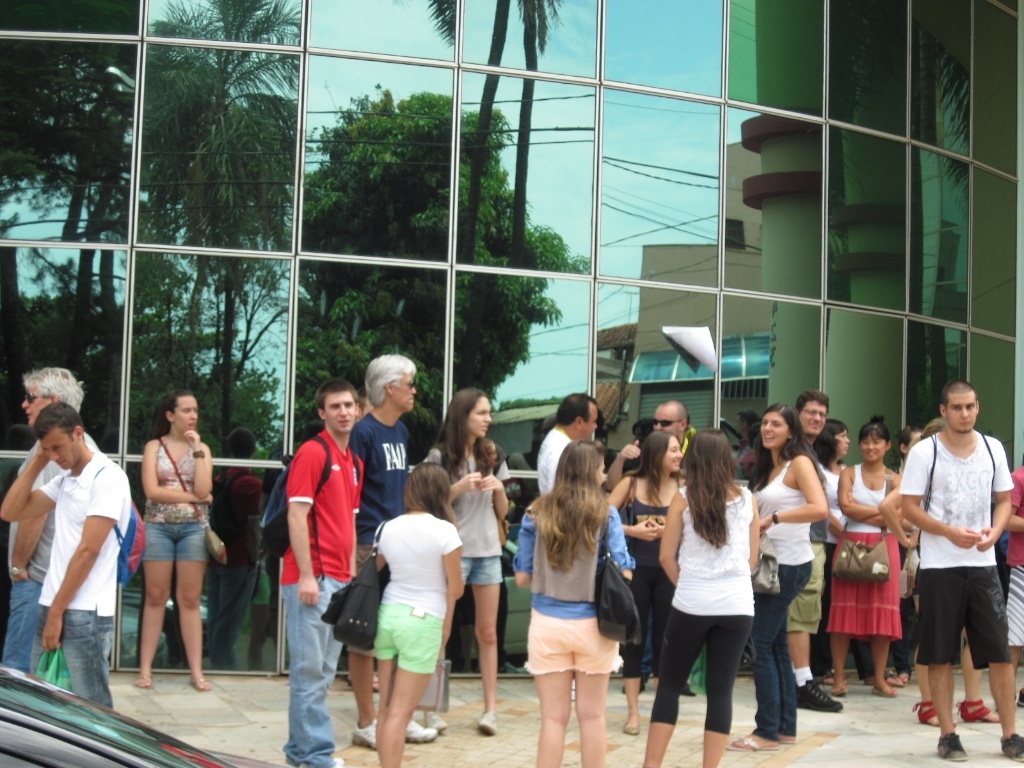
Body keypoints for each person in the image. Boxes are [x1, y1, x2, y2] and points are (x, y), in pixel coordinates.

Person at [900, 379, 1024, 761]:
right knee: (939, 653)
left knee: (1001, 653)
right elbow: (908, 507)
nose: (964, 413)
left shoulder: (992, 449)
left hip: (984, 563)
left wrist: (996, 530)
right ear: (943, 410)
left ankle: (1010, 734)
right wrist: (948, 532)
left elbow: (1004, 501)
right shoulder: (925, 452)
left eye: (970, 406)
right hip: (940, 565)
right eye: (956, 407)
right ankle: (948, 734)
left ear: (978, 406)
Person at [0, 402, 131, 707]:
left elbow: (89, 551)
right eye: (48, 450)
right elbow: (10, 511)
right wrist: (38, 459)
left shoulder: (107, 477)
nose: (55, 457)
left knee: (93, 712)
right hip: (52, 603)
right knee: (46, 711)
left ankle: (102, 758)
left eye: (58, 446)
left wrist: (57, 613)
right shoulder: (65, 480)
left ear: (78, 433)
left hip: (83, 611)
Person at [513, 441, 634, 768]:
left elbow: (523, 579)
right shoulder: (606, 513)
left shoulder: (535, 513)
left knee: (553, 719)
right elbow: (624, 572)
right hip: (595, 626)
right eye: (600, 467)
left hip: (547, 624)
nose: (603, 473)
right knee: (593, 716)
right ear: (591, 472)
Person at [643, 430, 758, 768]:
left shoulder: (682, 498)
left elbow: (666, 557)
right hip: (737, 605)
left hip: (692, 602)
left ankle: (651, 766)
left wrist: (688, 585)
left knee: (669, 686)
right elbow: (751, 560)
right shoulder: (748, 498)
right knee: (721, 691)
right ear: (728, 459)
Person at [349, 354, 438, 748]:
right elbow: (351, 495)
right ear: (390, 389)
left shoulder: (400, 431)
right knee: (363, 630)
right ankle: (368, 720)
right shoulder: (362, 433)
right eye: (409, 382)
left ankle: (394, 715)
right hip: (368, 543)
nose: (414, 389)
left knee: (396, 629)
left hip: (399, 542)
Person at [729, 404, 827, 751]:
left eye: (777, 424)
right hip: (772, 564)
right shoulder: (769, 466)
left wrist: (777, 518)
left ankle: (766, 731)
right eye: (765, 423)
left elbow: (820, 508)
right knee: (776, 647)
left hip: (787, 567)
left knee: (762, 646)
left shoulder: (799, 462)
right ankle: (784, 728)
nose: (768, 428)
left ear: (791, 431)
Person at [282, 379, 363, 768]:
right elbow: (297, 515)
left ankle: (300, 754)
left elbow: (347, 519)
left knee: (323, 673)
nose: (343, 411)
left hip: (338, 580)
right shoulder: (313, 453)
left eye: (348, 405)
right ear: (322, 413)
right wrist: (308, 576)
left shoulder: (354, 461)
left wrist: (349, 573)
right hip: (312, 579)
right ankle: (316, 757)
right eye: (335, 406)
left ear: (358, 410)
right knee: (310, 674)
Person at [425, 388, 509, 735]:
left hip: (489, 550)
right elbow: (426, 504)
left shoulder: (494, 453)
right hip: (452, 551)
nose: (488, 419)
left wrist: (498, 490)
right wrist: (456, 488)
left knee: (488, 633)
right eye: (482, 413)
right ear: (463, 416)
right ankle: (430, 708)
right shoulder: (439, 456)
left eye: (489, 412)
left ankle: (490, 710)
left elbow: (503, 513)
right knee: (439, 632)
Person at [4, 368, 98, 674]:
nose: (24, 404)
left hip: (38, 580)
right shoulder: (81, 448)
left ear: (54, 401)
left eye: (31, 397)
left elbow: (34, 516)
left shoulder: (52, 452)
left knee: (19, 679)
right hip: (56, 581)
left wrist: (19, 568)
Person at [375, 463, 464, 768]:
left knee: (386, 710)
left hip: (388, 616)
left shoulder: (387, 527)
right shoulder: (446, 531)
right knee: (402, 713)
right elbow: (457, 588)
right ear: (441, 492)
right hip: (423, 622)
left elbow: (374, 573)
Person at [136, 389, 214, 691]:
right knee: (156, 596)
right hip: (157, 527)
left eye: (195, 410)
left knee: (190, 599)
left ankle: (196, 672)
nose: (193, 416)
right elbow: (151, 491)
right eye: (186, 411)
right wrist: (193, 495)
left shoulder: (202, 448)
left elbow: (206, 487)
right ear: (170, 415)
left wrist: (196, 450)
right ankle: (145, 670)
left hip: (194, 529)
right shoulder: (153, 447)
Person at [607, 431, 682, 736]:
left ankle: (659, 714)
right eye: (674, 450)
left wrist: (671, 532)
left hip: (670, 571)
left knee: (666, 642)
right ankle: (633, 713)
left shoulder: (683, 485)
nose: (679, 456)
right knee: (633, 642)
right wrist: (632, 531)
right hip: (636, 572)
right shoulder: (632, 483)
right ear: (657, 454)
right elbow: (602, 517)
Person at [828, 417, 903, 698]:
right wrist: (884, 514)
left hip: (885, 547)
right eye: (866, 441)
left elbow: (903, 517)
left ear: (887, 445)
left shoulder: (896, 479)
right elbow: (846, 508)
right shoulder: (849, 473)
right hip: (851, 545)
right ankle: (838, 678)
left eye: (877, 441)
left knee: (883, 616)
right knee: (843, 614)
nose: (870, 446)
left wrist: (865, 511)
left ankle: (880, 678)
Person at [789, 391, 843, 713]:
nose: (817, 419)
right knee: (802, 610)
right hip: (800, 540)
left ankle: (796, 677)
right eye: (811, 413)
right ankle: (801, 682)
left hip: (812, 539)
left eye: (822, 414)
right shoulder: (794, 451)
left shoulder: (808, 452)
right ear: (797, 414)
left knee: (805, 611)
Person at [206, 427, 262, 670]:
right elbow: (253, 525)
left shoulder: (219, 480)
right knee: (231, 619)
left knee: (216, 615)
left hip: (216, 555)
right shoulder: (251, 484)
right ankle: (223, 666)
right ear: (251, 450)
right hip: (239, 560)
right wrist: (256, 557)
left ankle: (215, 662)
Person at [810, 418, 849, 682]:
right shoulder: (819, 471)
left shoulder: (847, 470)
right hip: (829, 541)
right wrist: (847, 535)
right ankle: (819, 666)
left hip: (848, 544)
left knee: (837, 604)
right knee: (822, 604)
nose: (847, 441)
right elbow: (824, 509)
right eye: (842, 436)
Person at [606, 399, 690, 490]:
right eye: (655, 422)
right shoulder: (644, 447)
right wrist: (621, 459)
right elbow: (613, 487)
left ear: (683, 425)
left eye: (665, 423)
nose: (657, 427)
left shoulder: (695, 451)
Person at [535, 393, 599, 495]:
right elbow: (557, 494)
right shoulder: (560, 449)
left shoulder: (556, 440)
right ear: (579, 422)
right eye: (594, 421)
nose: (595, 426)